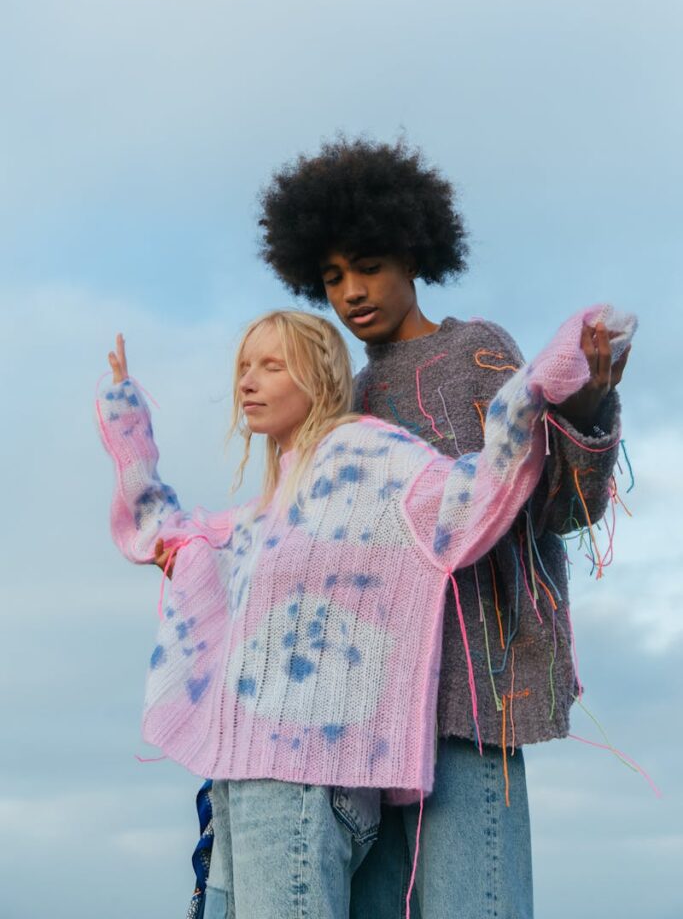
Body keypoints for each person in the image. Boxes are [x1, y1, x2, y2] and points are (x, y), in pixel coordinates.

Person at [99, 298, 633, 919]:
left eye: (271, 365)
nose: (247, 380)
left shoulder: (369, 457)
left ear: (321, 377)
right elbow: (167, 533)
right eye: (244, 365)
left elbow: (476, 490)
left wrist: (546, 380)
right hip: (239, 784)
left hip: (303, 783)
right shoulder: (265, 514)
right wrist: (127, 424)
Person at [254, 136, 632, 919]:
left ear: (413, 254)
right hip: (362, 716)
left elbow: (560, 507)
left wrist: (589, 408)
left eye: (368, 265)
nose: (352, 290)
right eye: (331, 278)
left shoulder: (476, 351)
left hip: (469, 690)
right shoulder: (342, 402)